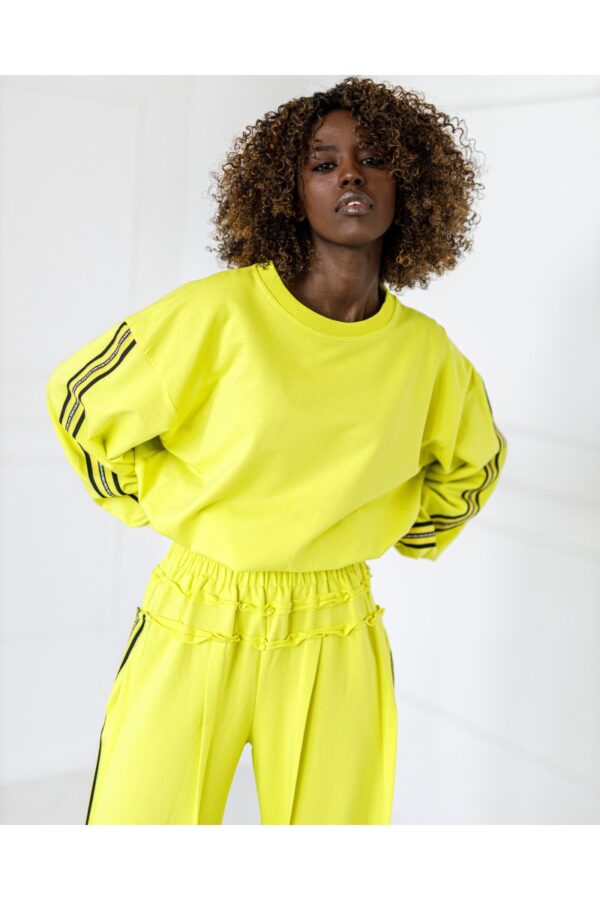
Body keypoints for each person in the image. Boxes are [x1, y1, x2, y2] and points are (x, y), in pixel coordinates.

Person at [45, 75, 508, 825]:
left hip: (337, 623)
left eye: (373, 158)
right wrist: (162, 502)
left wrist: (402, 529)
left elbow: (473, 465)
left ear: (410, 185)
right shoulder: (219, 312)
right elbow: (80, 401)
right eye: (324, 163)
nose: (350, 175)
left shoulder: (426, 355)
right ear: (289, 193)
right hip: (199, 607)